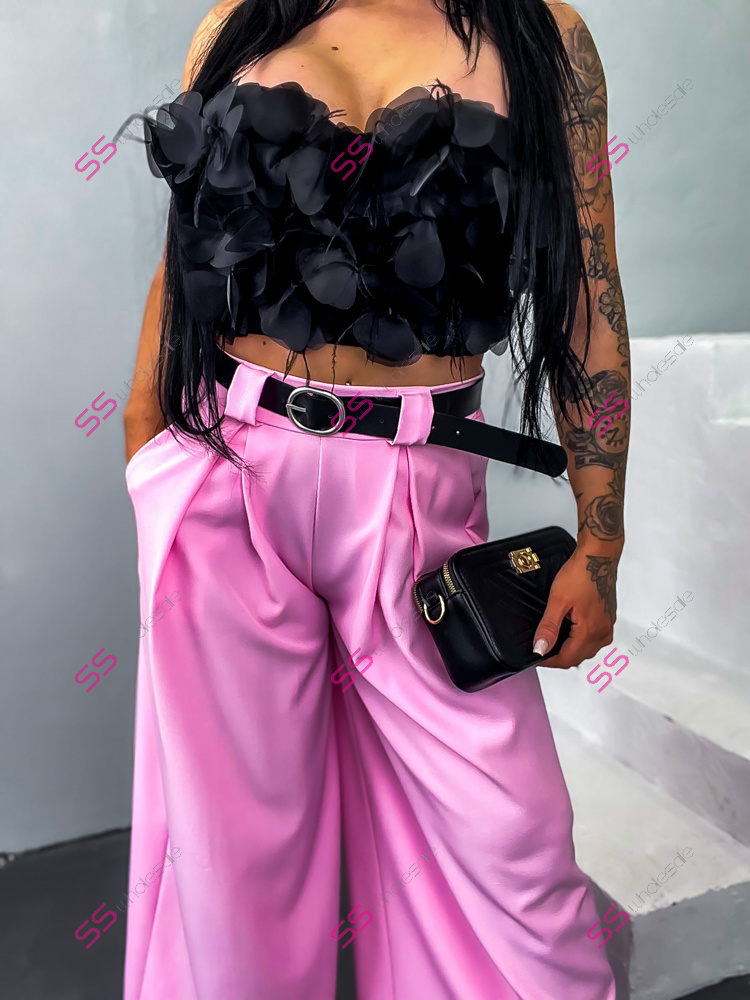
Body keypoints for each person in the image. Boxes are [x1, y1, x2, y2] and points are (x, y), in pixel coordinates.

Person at [121, 0, 629, 997]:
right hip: (229, 472)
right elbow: (191, 246)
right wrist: (145, 432)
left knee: (513, 844)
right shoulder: (240, 20)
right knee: (228, 862)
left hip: (418, 494)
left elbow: (588, 299)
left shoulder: (543, 34)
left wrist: (601, 541)